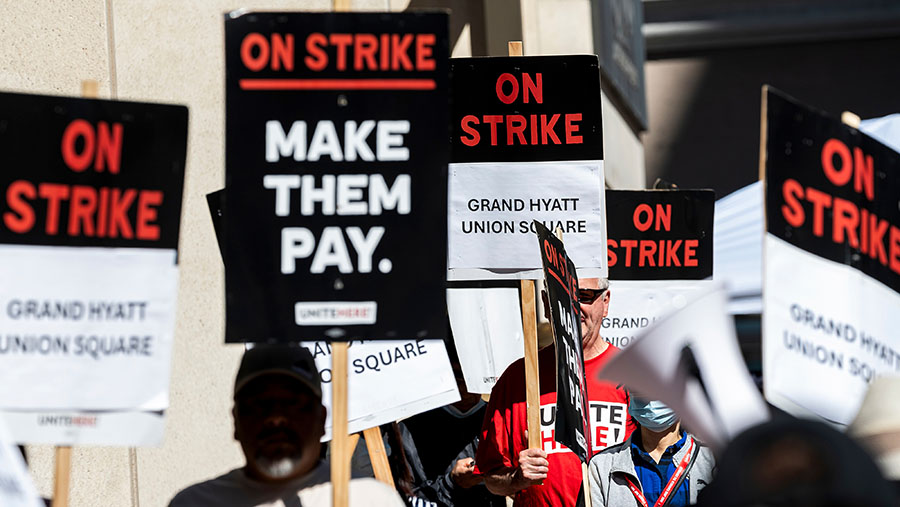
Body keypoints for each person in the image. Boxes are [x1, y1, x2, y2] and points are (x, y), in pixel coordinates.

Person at [169, 344, 405, 507]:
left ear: (321, 419)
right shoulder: (195, 503)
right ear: (236, 421)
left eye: (292, 404)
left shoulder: (369, 499)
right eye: (260, 405)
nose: (276, 418)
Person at [477, 277, 636, 506]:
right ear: (545, 301)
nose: (571, 306)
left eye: (584, 296)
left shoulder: (634, 376)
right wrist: (516, 479)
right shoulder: (517, 379)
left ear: (606, 301)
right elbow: (491, 478)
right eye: (561, 295)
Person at [398, 354, 506, 507]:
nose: (466, 383)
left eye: (472, 375)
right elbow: (407, 497)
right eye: (458, 375)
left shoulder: (503, 418)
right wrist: (451, 482)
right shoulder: (411, 430)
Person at [589, 398, 715, 506]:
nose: (650, 398)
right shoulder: (601, 468)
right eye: (639, 389)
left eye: (661, 389)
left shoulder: (715, 460)